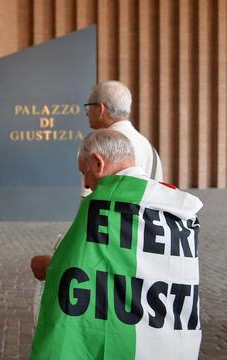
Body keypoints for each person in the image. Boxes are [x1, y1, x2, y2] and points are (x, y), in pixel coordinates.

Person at [30, 129, 203, 359]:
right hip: (173, 345)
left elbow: (73, 272)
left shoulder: (100, 204)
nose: (87, 183)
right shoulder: (180, 210)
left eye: (85, 172)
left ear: (98, 163)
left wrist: (49, 266)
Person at [84, 80, 163, 181]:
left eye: (88, 107)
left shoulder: (99, 144)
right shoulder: (148, 147)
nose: (87, 113)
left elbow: (89, 193)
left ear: (101, 109)